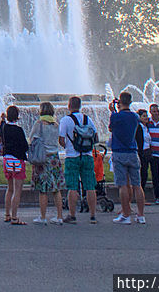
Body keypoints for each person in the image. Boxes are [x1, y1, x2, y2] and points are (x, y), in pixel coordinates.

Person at [59, 96, 99, 224]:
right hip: (87, 155)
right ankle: (92, 215)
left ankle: (72, 215)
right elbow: (96, 136)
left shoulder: (66, 120)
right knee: (90, 186)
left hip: (72, 156)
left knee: (72, 187)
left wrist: (67, 146)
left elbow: (61, 138)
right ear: (80, 106)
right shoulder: (88, 119)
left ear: (69, 105)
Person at [108, 92, 146, 225]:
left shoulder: (116, 116)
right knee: (137, 185)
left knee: (123, 185)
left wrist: (112, 112)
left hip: (119, 152)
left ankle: (126, 214)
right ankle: (141, 215)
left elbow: (111, 128)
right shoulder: (135, 117)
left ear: (119, 103)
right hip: (132, 151)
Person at [28, 102, 64, 225]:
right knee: (56, 188)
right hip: (55, 158)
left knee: (43, 189)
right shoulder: (56, 124)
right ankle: (59, 216)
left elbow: (31, 139)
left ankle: (42, 217)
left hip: (42, 159)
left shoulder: (39, 124)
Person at [1, 105, 28, 225]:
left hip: (7, 160)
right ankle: (14, 217)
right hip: (17, 160)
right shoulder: (19, 130)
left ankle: (7, 214)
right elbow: (25, 146)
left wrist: (2, 119)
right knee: (18, 190)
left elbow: (0, 131)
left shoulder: (3, 128)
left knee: (10, 188)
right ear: (17, 117)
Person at [135, 109, 152, 198]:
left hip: (148, 151)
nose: (146, 118)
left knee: (145, 173)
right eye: (144, 116)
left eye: (146, 116)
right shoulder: (138, 127)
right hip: (141, 152)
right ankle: (140, 195)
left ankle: (142, 194)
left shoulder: (147, 127)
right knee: (142, 173)